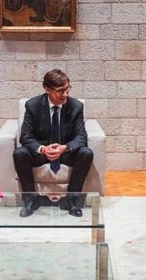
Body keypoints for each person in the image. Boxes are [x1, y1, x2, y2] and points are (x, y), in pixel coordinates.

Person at [13, 69, 93, 217]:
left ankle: (73, 200)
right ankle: (30, 199)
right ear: (47, 89)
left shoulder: (76, 106)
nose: (65, 94)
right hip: (42, 153)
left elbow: (81, 137)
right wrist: (42, 149)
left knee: (86, 153)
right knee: (20, 153)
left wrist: (64, 148)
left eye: (67, 88)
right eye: (60, 91)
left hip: (65, 153)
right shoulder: (33, 105)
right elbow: (25, 137)